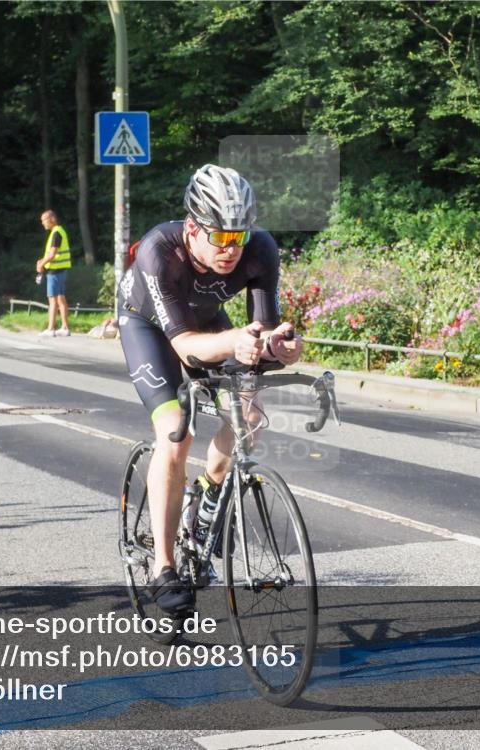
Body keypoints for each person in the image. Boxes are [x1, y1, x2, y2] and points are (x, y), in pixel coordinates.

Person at [118, 164, 302, 613]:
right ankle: (164, 568)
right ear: (193, 228)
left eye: (238, 237)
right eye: (220, 237)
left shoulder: (259, 249)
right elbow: (182, 345)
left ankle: (207, 499)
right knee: (176, 431)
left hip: (206, 322)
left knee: (249, 417)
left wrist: (278, 345)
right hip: (148, 326)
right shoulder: (161, 250)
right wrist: (235, 341)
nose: (230, 249)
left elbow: (261, 326)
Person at [36, 210, 72, 336]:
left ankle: (51, 329)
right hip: (61, 269)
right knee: (61, 298)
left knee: (52, 300)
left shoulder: (56, 233)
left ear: (52, 218)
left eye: (44, 220)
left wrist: (41, 264)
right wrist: (43, 261)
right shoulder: (59, 231)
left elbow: (52, 254)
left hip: (54, 271)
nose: (43, 223)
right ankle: (65, 328)